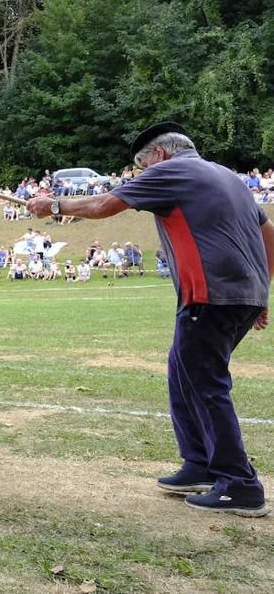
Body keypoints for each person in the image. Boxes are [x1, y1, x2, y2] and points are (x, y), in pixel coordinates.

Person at [27, 122, 272, 517]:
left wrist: (53, 206)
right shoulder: (226, 175)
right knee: (183, 369)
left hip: (209, 295)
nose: (144, 176)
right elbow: (268, 233)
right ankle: (200, 465)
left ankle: (240, 484)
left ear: (158, 155)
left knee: (205, 381)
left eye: (142, 166)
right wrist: (262, 293)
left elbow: (103, 205)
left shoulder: (170, 171)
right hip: (240, 294)